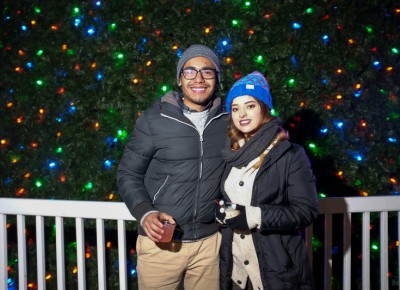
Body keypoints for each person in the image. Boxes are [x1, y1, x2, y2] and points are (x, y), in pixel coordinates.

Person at [117, 44, 228, 290]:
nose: (198, 78)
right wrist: (145, 213)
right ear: (179, 79)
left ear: (217, 78)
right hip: (161, 245)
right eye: (190, 71)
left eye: (207, 72)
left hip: (209, 245)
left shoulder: (228, 121)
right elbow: (128, 173)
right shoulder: (154, 119)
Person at [217, 71, 319, 290]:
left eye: (250, 105)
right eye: (235, 108)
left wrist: (254, 216)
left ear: (264, 108)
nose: (242, 114)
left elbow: (306, 210)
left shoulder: (290, 154)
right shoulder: (229, 154)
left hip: (275, 271)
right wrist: (219, 211)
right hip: (235, 273)